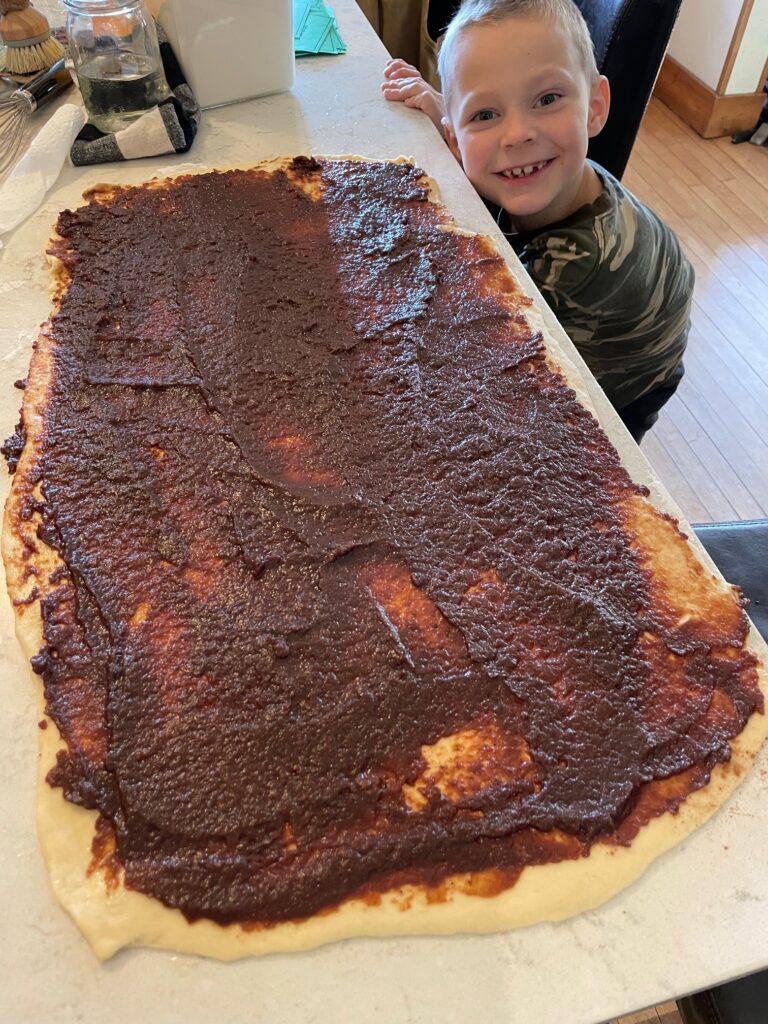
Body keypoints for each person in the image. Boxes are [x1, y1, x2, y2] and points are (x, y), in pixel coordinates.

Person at [380, 0, 694, 444]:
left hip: (624, 386)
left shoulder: (575, 268)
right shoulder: (559, 169)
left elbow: (478, 366)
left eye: (547, 99)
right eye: (485, 115)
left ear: (595, 107)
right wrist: (448, 118)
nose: (517, 135)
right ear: (454, 138)